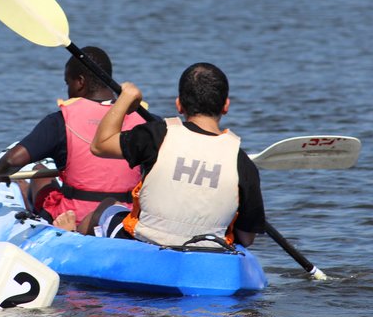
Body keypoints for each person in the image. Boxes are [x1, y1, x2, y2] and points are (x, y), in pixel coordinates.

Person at [88, 62, 265, 248]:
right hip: (210, 255)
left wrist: (126, 98)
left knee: (107, 207)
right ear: (226, 106)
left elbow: (100, 145)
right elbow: (246, 239)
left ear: (179, 105)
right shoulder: (242, 162)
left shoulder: (156, 135)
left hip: (145, 244)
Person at [0, 46, 147, 227]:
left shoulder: (60, 121)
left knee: (40, 173)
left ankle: (25, 197)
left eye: (68, 83)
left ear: (80, 82)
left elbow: (14, 160)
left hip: (72, 218)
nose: (67, 89)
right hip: (122, 217)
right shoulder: (144, 120)